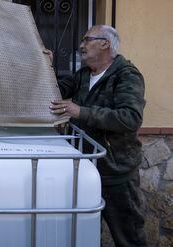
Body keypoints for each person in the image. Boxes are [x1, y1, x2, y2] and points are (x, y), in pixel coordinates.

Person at [45, 25, 147, 247]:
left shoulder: (127, 76)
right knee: (85, 236)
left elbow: (129, 118)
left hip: (115, 173)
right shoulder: (82, 75)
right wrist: (46, 66)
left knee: (128, 238)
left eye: (87, 39)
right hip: (84, 169)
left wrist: (80, 111)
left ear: (105, 43)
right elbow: (54, 94)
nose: (81, 45)